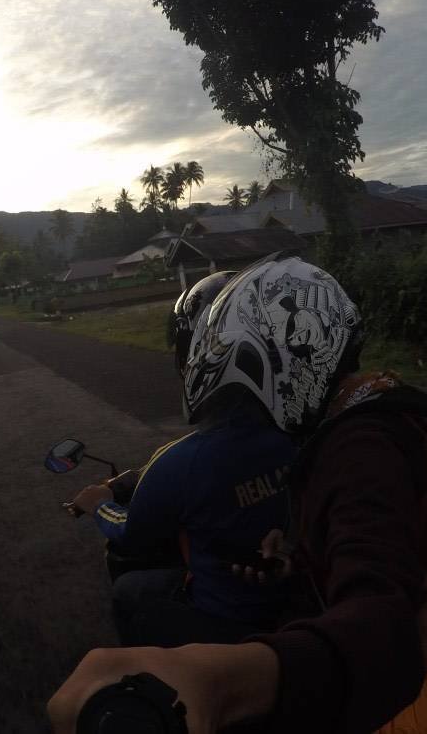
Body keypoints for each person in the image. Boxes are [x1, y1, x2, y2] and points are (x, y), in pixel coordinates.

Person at [49, 252, 427, 733]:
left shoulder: (359, 448)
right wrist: (301, 556)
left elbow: (385, 624)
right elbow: (384, 538)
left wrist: (220, 680)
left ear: (276, 364)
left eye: (242, 392)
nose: (246, 416)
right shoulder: (379, 403)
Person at [68, 271, 308, 647]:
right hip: (299, 601)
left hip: (224, 618)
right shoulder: (303, 431)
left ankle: (147, 675)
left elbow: (131, 534)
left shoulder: (182, 462)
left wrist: (99, 504)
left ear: (196, 356)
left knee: (128, 591)